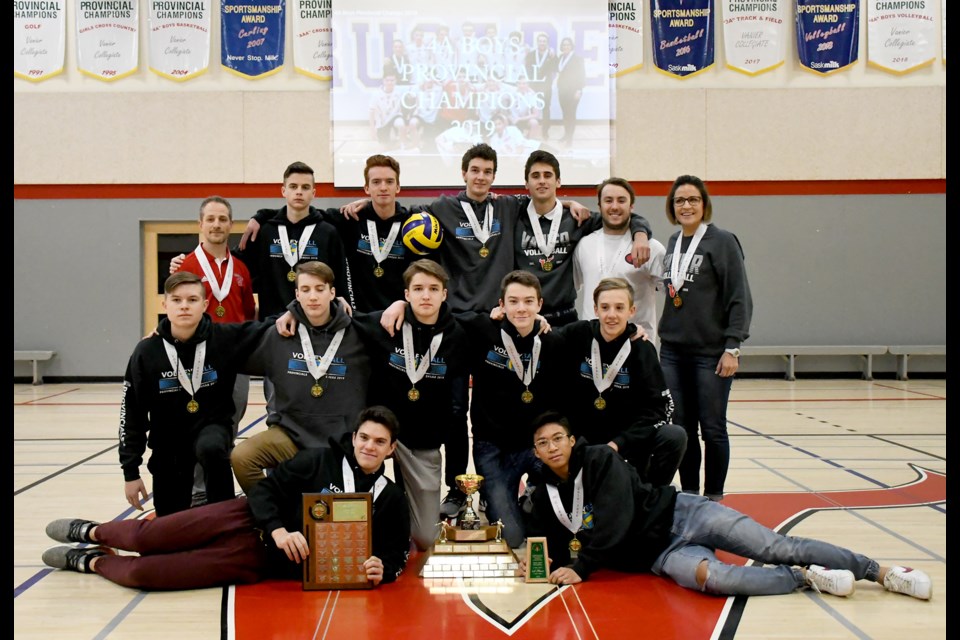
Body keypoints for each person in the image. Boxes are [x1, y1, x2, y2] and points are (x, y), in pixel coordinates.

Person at [520, 412, 932, 602]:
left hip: (684, 514)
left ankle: (880, 572)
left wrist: (582, 566)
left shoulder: (600, 460)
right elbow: (550, 536)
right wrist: (538, 558)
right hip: (663, 554)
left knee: (773, 547)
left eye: (558, 438)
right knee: (715, 580)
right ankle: (805, 578)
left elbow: (615, 520)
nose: (551, 447)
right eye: (542, 443)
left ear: (573, 440)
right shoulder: (544, 491)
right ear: (536, 452)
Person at [41, 406, 410, 590]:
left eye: (379, 442)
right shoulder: (320, 460)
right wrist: (279, 528)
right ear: (354, 437)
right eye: (364, 437)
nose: (369, 446)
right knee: (146, 537)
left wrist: (384, 570)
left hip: (259, 560)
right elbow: (265, 489)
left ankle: (86, 563)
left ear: (391, 450)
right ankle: (91, 532)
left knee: (145, 573)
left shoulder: (390, 499)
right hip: (244, 517)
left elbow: (397, 552)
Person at [119, 272, 268, 516]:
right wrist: (130, 473)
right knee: (171, 519)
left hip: (212, 428)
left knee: (211, 447)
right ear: (164, 304)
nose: (184, 306)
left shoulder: (224, 338)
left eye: (192, 300)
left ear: (205, 304)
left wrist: (296, 309)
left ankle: (224, 519)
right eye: (176, 300)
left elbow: (268, 326)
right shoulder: (147, 351)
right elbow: (132, 414)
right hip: (168, 441)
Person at [355, 260, 469, 550]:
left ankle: (406, 506)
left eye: (433, 289)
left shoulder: (458, 334)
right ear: (406, 294)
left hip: (422, 440)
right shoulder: (385, 323)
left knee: (425, 538)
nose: (426, 296)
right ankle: (387, 506)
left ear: (445, 294)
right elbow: (338, 315)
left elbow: (504, 323)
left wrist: (540, 322)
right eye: (418, 289)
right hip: (380, 436)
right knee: (362, 526)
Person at [231, 261, 372, 493]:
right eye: (305, 290)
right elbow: (229, 342)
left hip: (342, 443)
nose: (313, 297)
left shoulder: (360, 332)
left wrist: (399, 304)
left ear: (333, 293)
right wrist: (168, 331)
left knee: (333, 515)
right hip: (290, 436)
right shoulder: (280, 333)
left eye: (319, 289)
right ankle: (271, 510)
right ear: (297, 294)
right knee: (243, 456)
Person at [658, 175, 753, 502]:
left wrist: (732, 347)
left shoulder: (723, 241)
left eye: (692, 200)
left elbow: (739, 298)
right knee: (682, 430)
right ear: (672, 206)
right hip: (672, 352)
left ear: (704, 204)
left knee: (712, 429)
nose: (686, 206)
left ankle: (714, 498)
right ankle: (689, 496)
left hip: (710, 353)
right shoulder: (672, 242)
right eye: (679, 200)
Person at [455, 270, 564, 548]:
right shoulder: (482, 329)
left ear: (540, 304)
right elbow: (439, 317)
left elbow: (593, 331)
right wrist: (401, 304)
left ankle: (530, 497)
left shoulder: (551, 341)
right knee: (513, 538)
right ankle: (498, 500)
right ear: (501, 305)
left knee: (557, 519)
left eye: (529, 301)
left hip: (535, 446)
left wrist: (637, 330)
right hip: (492, 448)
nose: (521, 308)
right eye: (513, 301)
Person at [555, 278, 686, 486]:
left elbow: (658, 410)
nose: (612, 315)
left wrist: (619, 444)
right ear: (596, 309)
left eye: (619, 308)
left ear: (631, 311)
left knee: (674, 435)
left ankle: (651, 496)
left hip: (626, 441)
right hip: (582, 439)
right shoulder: (576, 334)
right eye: (605, 307)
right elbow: (538, 340)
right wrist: (515, 319)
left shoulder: (642, 348)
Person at [245, 155, 414, 313]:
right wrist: (261, 216)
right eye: (376, 182)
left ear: (398, 187)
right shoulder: (351, 218)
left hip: (400, 314)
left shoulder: (412, 226)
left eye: (389, 181)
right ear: (367, 188)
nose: (383, 187)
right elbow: (301, 212)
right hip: (361, 317)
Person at [177, 196, 258, 505]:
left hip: (235, 360)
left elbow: (248, 312)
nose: (216, 224)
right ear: (200, 224)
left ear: (230, 224)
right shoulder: (187, 265)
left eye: (222, 219)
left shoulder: (240, 268)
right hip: (195, 361)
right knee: (196, 426)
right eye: (210, 219)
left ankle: (218, 490)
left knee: (230, 425)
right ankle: (198, 493)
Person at [516, 150, 652, 326]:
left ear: (558, 181)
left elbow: (618, 215)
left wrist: (640, 234)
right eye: (535, 176)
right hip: (524, 316)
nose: (542, 180)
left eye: (547, 175)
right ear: (526, 183)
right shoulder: (513, 215)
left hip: (564, 318)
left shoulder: (577, 219)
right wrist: (570, 201)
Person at [573, 178, 666, 344]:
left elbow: (672, 295)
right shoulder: (584, 244)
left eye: (621, 200)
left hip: (636, 343)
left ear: (631, 206)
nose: (614, 206)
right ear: (600, 206)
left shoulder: (651, 248)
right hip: (591, 345)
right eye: (608, 200)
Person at [554, 37, 585, 146]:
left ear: (571, 46)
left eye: (568, 45)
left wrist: (579, 90)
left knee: (571, 114)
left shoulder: (577, 59)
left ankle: (570, 139)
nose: (566, 46)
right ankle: (566, 135)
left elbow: (582, 75)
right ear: (561, 47)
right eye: (564, 45)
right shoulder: (561, 57)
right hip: (562, 90)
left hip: (573, 91)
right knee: (565, 114)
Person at [525, 33, 557, 131]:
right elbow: (527, 69)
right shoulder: (531, 54)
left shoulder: (552, 55)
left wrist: (553, 57)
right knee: (532, 108)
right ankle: (532, 130)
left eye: (544, 41)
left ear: (547, 43)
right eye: (540, 41)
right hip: (533, 86)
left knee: (546, 108)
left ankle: (545, 131)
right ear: (537, 42)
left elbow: (555, 67)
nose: (542, 43)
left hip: (546, 86)